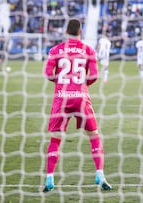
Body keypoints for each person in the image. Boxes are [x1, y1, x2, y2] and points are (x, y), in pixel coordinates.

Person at [43, 18, 112, 193]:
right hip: (81, 97)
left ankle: (49, 178)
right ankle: (100, 174)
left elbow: (48, 73)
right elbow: (94, 75)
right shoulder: (88, 50)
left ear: (66, 32)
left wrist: (60, 83)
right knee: (93, 135)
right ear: (80, 32)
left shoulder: (56, 50)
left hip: (61, 98)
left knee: (55, 139)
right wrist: (81, 85)